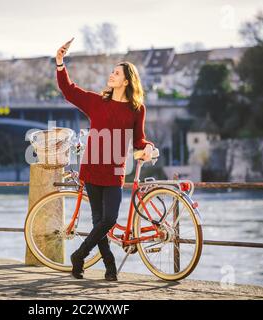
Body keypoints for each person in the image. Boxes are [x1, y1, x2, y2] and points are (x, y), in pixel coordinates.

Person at [55, 38, 155, 281]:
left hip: (114, 172)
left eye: (116, 73)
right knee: (100, 221)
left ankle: (78, 256)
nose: (111, 75)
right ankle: (109, 269)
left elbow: (139, 140)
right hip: (92, 169)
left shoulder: (137, 109)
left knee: (108, 219)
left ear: (127, 80)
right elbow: (69, 90)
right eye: (112, 72)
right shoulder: (97, 102)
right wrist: (60, 63)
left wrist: (149, 147)